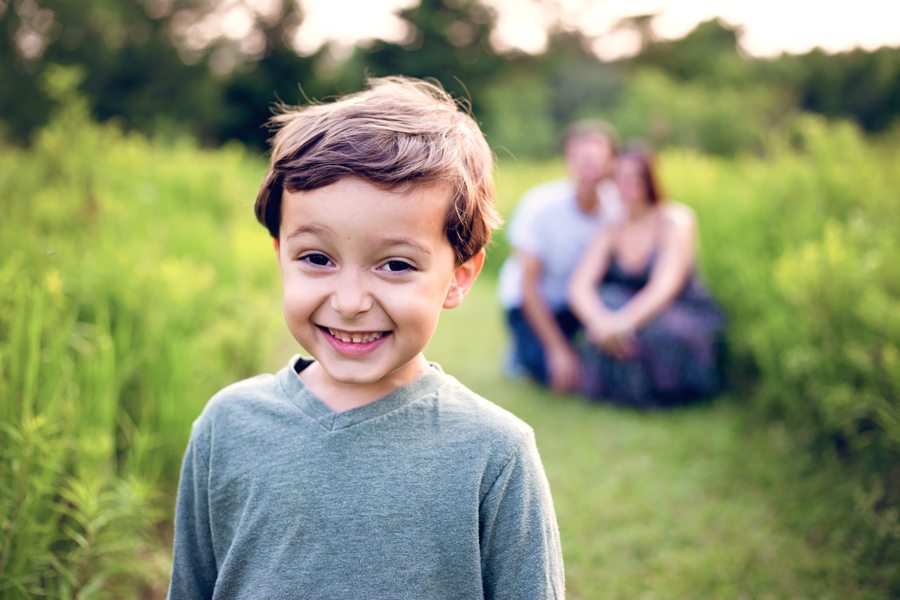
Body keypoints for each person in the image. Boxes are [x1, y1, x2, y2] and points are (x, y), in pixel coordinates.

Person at [167, 77, 564, 599]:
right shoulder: (227, 426)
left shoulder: (495, 453)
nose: (350, 301)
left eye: (395, 264)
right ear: (280, 255)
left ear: (459, 277)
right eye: (317, 258)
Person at [568, 146, 725, 408]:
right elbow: (580, 285)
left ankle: (670, 392)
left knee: (661, 330)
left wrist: (622, 324)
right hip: (624, 311)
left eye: (635, 177)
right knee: (607, 301)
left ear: (650, 179)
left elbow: (665, 286)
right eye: (620, 178)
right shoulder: (611, 228)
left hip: (674, 308)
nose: (627, 185)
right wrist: (600, 322)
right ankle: (622, 390)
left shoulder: (675, 219)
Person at [498, 120, 623, 392]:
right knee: (557, 377)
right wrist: (557, 350)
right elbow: (528, 285)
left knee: (593, 372)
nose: (588, 168)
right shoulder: (539, 205)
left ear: (612, 163)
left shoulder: (618, 205)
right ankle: (522, 353)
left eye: (597, 159)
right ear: (568, 161)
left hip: (580, 302)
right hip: (531, 301)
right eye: (581, 159)